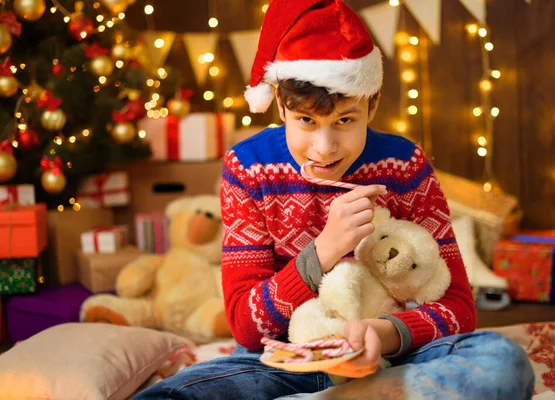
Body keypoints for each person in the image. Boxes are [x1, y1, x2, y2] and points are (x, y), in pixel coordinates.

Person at [134, 0, 534, 399]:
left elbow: (460, 307)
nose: (324, 148)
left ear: (372, 104)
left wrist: (387, 334)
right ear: (280, 105)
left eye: (345, 120)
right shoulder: (248, 168)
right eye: (306, 121)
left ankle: (367, 392)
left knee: (503, 363)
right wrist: (324, 249)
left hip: (395, 358)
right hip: (285, 362)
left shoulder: (404, 166)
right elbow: (245, 325)